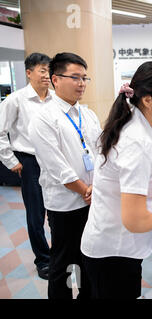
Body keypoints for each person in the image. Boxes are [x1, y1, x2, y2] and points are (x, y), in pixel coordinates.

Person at [81, 61, 152, 299]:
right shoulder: (137, 141)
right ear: (147, 99)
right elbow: (134, 221)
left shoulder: (137, 124)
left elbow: (123, 180)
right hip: (114, 251)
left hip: (109, 244)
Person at [29, 52, 102, 299]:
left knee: (89, 259)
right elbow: (57, 166)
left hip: (93, 200)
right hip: (66, 205)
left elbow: (101, 151)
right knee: (62, 263)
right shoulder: (43, 118)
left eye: (84, 78)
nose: (81, 83)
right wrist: (85, 190)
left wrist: (97, 189)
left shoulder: (88, 114)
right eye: (75, 77)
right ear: (55, 79)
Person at [0, 53, 52, 280]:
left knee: (60, 210)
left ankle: (60, 254)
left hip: (53, 160)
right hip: (29, 161)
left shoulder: (55, 98)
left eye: (49, 71)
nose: (46, 75)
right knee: (36, 214)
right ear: (28, 73)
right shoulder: (16, 99)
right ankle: (43, 260)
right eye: (42, 70)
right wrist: (11, 161)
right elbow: (1, 132)